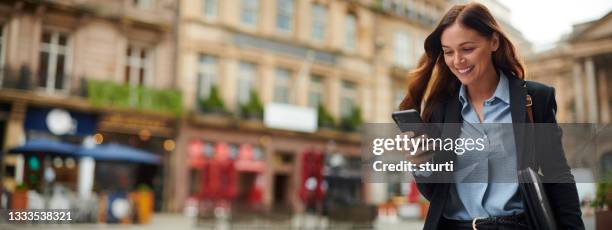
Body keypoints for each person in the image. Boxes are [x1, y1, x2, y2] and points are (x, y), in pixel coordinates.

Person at [399, 3, 584, 229]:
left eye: (467, 49)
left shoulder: (535, 99)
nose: (457, 61)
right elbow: (435, 193)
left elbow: (558, 176)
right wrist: (422, 164)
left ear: (493, 42)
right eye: (448, 52)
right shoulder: (439, 108)